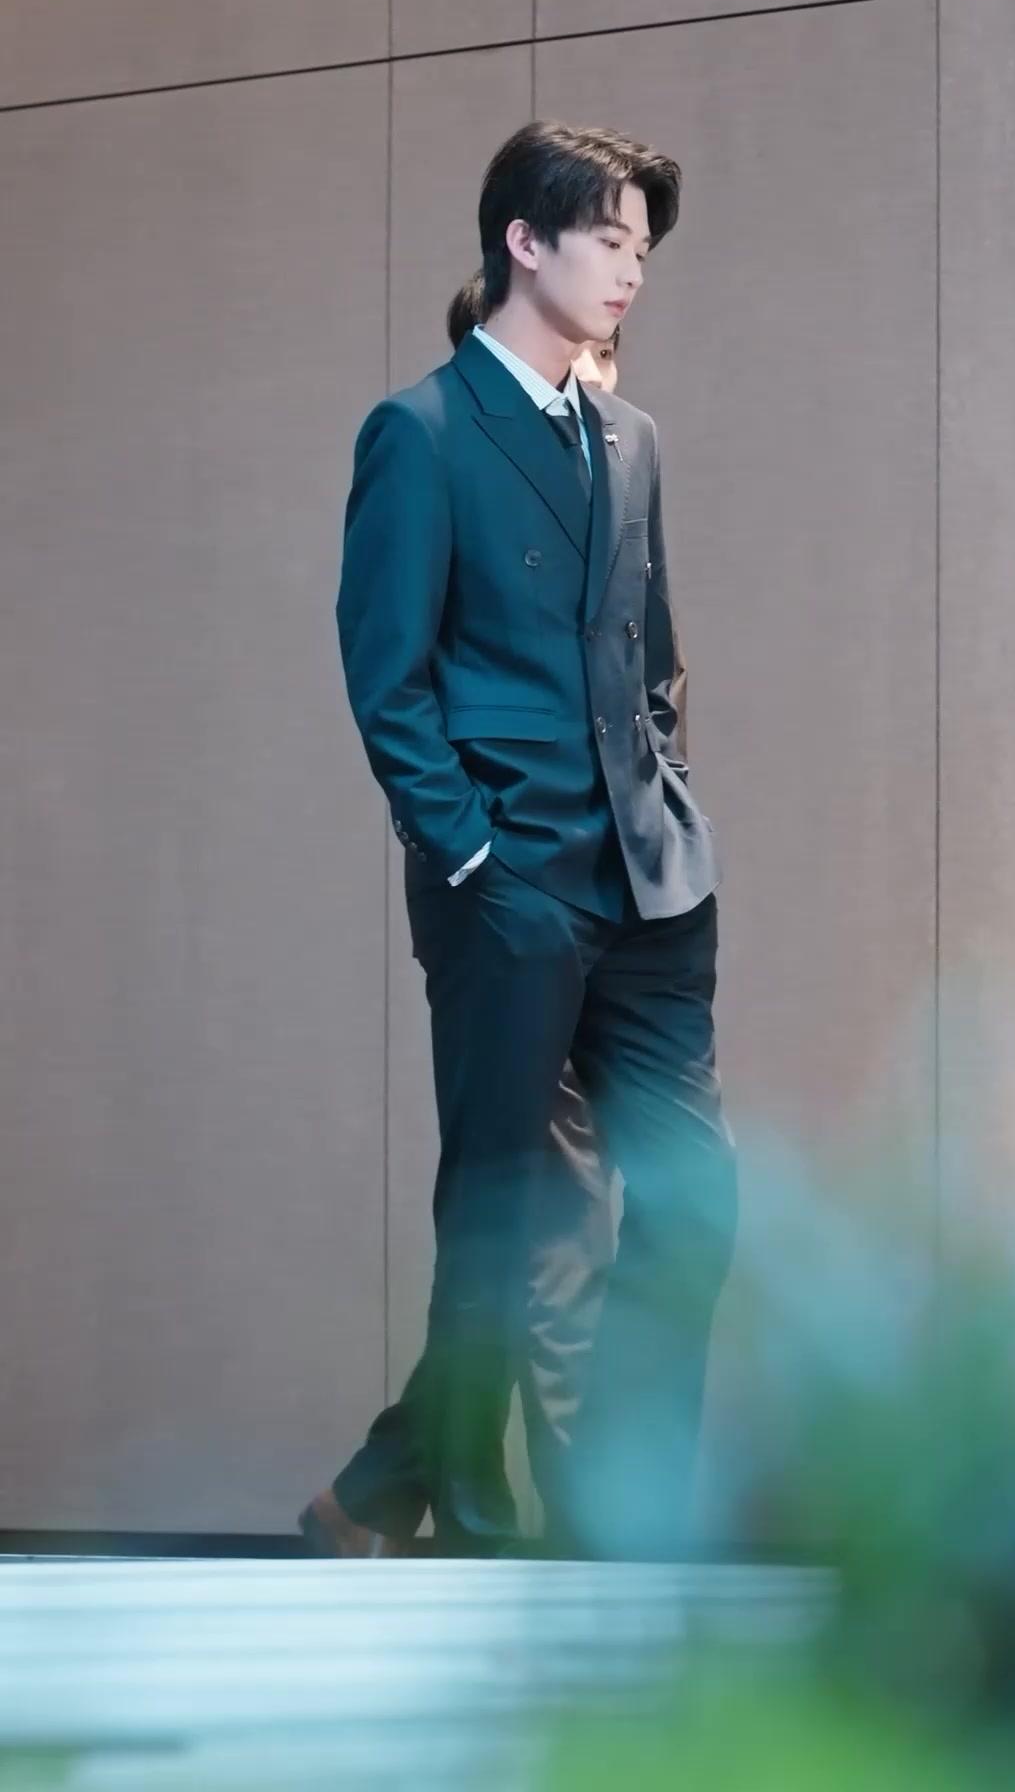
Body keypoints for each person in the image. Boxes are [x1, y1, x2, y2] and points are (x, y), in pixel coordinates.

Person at [322, 121, 735, 1559]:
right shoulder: (422, 434)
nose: (632, 271)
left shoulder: (632, 439)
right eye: (610, 240)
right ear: (524, 242)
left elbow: (651, 656)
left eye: (641, 249)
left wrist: (665, 796)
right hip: (508, 881)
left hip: (651, 882)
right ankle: (493, 1519)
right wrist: (473, 859)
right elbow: (388, 678)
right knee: (512, 1219)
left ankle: (573, 1499)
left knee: (694, 1203)